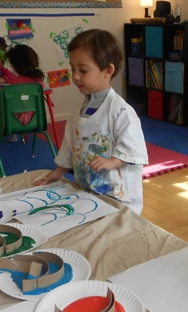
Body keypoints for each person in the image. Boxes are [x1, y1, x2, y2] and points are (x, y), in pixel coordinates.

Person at [33, 29, 148, 214]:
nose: (76, 76)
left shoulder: (121, 111)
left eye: (83, 70)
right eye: (73, 69)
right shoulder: (77, 111)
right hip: (88, 192)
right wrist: (59, 171)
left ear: (107, 70)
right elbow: (70, 144)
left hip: (119, 199)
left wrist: (112, 161)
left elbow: (133, 148)